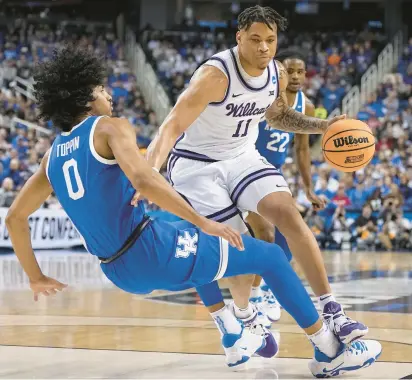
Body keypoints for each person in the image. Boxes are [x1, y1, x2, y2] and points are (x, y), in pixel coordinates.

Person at [5, 46, 381, 378]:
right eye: (102, 90)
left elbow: (14, 219)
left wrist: (36, 277)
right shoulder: (109, 126)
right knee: (268, 257)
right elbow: (145, 179)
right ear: (87, 97)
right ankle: (327, 350)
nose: (109, 95)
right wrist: (204, 223)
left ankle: (231, 328)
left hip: (117, 271)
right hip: (151, 251)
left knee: (186, 225)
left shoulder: (51, 157)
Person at [142, 4, 368, 345]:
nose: (263, 47)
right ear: (239, 38)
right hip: (196, 165)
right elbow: (171, 125)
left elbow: (278, 116)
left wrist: (325, 125)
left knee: (288, 215)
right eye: (255, 39)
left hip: (242, 156)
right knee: (239, 251)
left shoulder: (275, 72)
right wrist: (147, 173)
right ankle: (246, 315)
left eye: (270, 40)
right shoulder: (215, 76)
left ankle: (332, 310)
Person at [249, 50, 327, 322]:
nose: (295, 76)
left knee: (285, 240)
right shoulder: (265, 97)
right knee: (267, 236)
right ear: (280, 74)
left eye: (300, 71)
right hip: (250, 169)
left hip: (276, 174)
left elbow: (302, 150)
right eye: (289, 71)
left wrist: (308, 188)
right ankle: (255, 296)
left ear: (306, 75)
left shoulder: (306, 106)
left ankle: (265, 290)